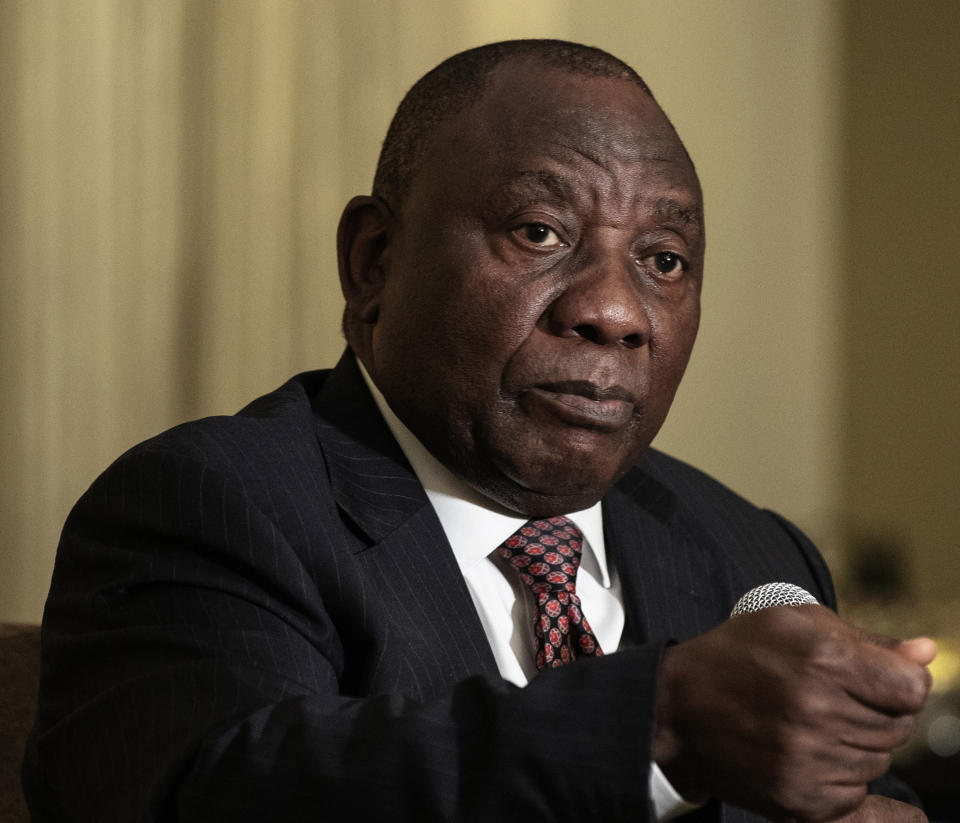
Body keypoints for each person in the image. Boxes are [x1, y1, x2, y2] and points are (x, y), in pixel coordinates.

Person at [24, 40, 935, 823]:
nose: (616, 311)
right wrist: (655, 726)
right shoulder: (213, 504)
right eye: (540, 232)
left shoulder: (750, 550)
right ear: (375, 260)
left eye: (663, 259)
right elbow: (222, 790)